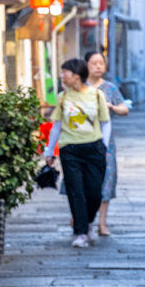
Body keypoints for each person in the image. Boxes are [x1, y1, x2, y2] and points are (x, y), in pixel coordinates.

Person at [43, 57, 110, 249]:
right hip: (70, 149)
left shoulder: (96, 95)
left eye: (66, 73)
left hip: (94, 148)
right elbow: (56, 126)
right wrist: (50, 150)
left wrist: (103, 145)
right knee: (76, 191)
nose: (62, 76)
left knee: (95, 192)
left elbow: (105, 122)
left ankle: (88, 222)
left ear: (77, 75)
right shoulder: (63, 97)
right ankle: (81, 232)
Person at [85, 51, 130, 237]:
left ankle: (102, 223)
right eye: (94, 63)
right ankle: (83, 218)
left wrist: (111, 107)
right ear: (86, 65)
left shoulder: (110, 88)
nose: (98, 66)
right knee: (83, 181)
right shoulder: (80, 87)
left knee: (106, 180)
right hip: (82, 140)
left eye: (101, 63)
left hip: (106, 143)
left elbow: (125, 108)